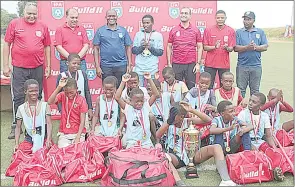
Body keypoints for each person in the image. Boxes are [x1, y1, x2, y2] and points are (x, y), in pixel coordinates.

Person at [156, 102, 237, 186]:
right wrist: (170, 121)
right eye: (174, 115)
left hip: (193, 155)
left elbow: (208, 120)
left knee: (217, 147)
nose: (178, 118)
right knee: (165, 157)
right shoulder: (168, 123)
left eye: (180, 116)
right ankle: (180, 183)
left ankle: (226, 180)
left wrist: (192, 110)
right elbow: (158, 135)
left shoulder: (187, 121)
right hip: (176, 157)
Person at [3, 2, 51, 139]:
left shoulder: (43, 26)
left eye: (34, 14)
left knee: (38, 96)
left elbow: (47, 46)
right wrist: (5, 65)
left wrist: (48, 66)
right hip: (19, 68)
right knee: (18, 97)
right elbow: (7, 44)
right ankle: (15, 126)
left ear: (37, 14)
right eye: (29, 13)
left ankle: (37, 124)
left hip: (37, 67)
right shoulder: (14, 24)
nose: (32, 16)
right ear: (23, 13)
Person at [115, 72, 159, 148]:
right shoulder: (128, 108)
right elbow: (117, 97)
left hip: (146, 142)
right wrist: (123, 81)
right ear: (131, 101)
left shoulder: (146, 106)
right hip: (132, 143)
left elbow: (156, 94)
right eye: (136, 101)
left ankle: (155, 140)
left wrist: (149, 79)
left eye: (141, 101)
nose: (139, 103)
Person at [93, 9, 132, 87]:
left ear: (117, 17)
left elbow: (128, 47)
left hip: (121, 65)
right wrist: (97, 66)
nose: (111, 18)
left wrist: (129, 64)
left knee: (121, 90)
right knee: (108, 90)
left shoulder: (123, 30)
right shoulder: (100, 31)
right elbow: (96, 49)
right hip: (106, 66)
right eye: (109, 16)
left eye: (113, 16)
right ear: (106, 17)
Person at [167, 7, 203, 89]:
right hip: (176, 64)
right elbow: (169, 47)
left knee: (191, 88)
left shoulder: (195, 30)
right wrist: (169, 63)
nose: (183, 15)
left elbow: (200, 47)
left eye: (186, 13)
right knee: (176, 88)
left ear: (190, 16)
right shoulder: (174, 30)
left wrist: (198, 63)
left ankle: (189, 102)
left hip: (190, 64)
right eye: (182, 13)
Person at [234, 11, 268, 97]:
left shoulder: (260, 32)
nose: (246, 21)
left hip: (256, 66)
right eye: (245, 19)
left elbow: (265, 46)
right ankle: (240, 110)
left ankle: (254, 110)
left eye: (249, 19)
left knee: (255, 90)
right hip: (242, 66)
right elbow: (235, 48)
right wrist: (247, 47)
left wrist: (255, 47)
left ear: (253, 20)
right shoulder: (238, 32)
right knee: (241, 90)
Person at [14, 79, 52, 154]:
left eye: (36, 90)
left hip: (43, 137)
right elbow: (18, 127)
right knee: (19, 156)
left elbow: (49, 123)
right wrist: (16, 143)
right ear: (25, 92)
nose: (34, 93)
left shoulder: (45, 105)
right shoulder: (21, 108)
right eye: (31, 91)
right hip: (29, 138)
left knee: (47, 157)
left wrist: (48, 139)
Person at [48, 78, 88, 148]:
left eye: (71, 92)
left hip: (78, 133)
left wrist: (78, 137)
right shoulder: (62, 95)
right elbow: (50, 102)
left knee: (77, 151)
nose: (69, 95)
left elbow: (82, 121)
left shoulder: (81, 100)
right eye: (66, 92)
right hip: (64, 133)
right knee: (64, 151)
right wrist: (59, 87)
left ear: (77, 89)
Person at [56, 54, 93, 124]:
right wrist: (61, 110)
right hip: (67, 108)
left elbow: (87, 91)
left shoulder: (83, 74)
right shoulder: (62, 76)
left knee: (84, 129)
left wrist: (90, 108)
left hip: (81, 107)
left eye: (78, 64)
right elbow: (58, 96)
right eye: (74, 63)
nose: (76, 65)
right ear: (67, 63)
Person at [203, 10, 236, 89]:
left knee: (225, 87)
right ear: (215, 18)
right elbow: (205, 47)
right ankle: (208, 101)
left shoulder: (230, 30)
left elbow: (231, 48)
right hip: (210, 64)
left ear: (225, 18)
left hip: (224, 64)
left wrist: (227, 48)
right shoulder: (208, 30)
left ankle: (223, 101)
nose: (220, 19)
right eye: (218, 18)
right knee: (208, 86)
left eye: (222, 18)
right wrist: (214, 47)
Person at [132, 14, 164, 86]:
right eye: (144, 23)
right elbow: (134, 50)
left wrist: (150, 48)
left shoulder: (158, 35)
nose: (145, 25)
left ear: (152, 23)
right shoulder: (138, 34)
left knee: (153, 90)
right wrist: (141, 47)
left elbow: (160, 52)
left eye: (147, 23)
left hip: (152, 68)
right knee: (139, 91)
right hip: (139, 68)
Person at [54, 8, 89, 73]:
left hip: (80, 62)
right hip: (66, 62)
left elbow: (86, 45)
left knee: (82, 82)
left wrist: (77, 59)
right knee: (67, 82)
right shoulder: (60, 29)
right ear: (66, 17)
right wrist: (71, 59)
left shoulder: (82, 29)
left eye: (76, 18)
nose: (74, 20)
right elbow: (58, 47)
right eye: (72, 18)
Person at [147, 79, 174, 148]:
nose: (148, 92)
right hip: (157, 125)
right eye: (147, 89)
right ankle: (157, 140)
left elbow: (174, 109)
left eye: (150, 89)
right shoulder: (149, 101)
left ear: (158, 89)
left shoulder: (168, 95)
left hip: (169, 123)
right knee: (150, 116)